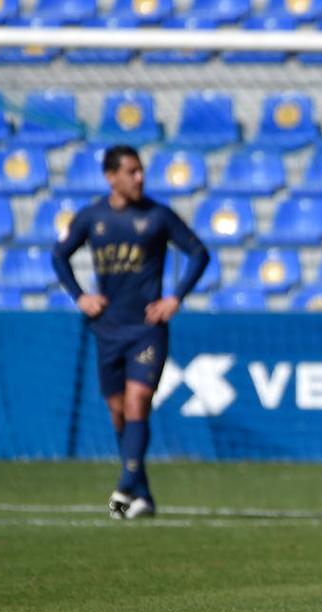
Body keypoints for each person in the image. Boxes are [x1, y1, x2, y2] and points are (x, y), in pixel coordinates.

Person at [51, 145, 211, 520]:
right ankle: (143, 496)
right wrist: (80, 296)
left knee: (138, 402)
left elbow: (199, 252)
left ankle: (122, 490)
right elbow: (59, 255)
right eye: (132, 171)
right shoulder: (92, 217)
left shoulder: (157, 216)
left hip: (147, 328)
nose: (140, 178)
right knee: (118, 412)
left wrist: (175, 298)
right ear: (111, 177)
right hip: (107, 328)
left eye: (141, 171)